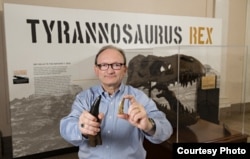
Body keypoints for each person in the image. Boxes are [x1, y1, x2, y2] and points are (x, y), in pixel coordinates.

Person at [60, 45, 173, 159]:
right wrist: (82, 128)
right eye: (104, 65)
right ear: (97, 70)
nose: (110, 70)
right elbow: (66, 128)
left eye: (116, 65)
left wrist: (149, 125)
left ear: (125, 70)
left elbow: (166, 129)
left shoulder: (139, 98)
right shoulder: (84, 98)